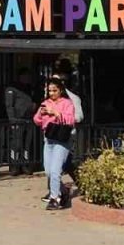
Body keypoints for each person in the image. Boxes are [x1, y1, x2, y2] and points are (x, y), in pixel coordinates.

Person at [33, 78, 76, 211]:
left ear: (60, 90)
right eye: (49, 90)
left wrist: (56, 113)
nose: (52, 93)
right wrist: (41, 113)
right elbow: (36, 120)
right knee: (49, 171)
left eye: (54, 90)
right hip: (49, 139)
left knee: (56, 170)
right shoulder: (45, 103)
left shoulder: (67, 103)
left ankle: (54, 198)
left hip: (62, 140)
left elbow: (71, 120)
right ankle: (63, 190)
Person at [5, 69, 37, 176]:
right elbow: (9, 105)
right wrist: (12, 119)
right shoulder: (12, 89)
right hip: (17, 120)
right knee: (16, 144)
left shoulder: (29, 88)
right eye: (25, 76)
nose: (27, 78)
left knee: (27, 144)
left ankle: (25, 165)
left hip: (29, 120)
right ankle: (14, 166)